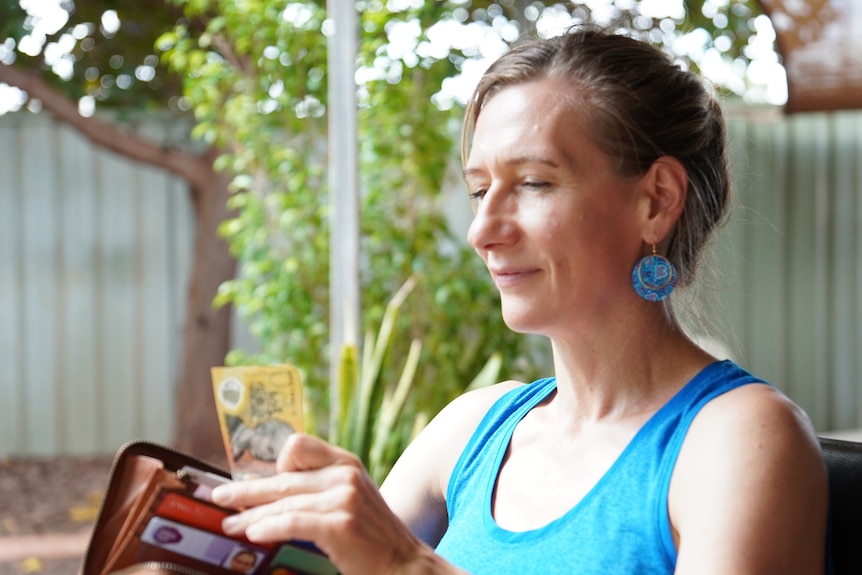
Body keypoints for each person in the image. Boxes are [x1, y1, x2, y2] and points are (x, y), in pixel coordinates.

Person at [211, 27, 830, 574]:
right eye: (480, 189)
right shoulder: (470, 431)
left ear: (657, 201)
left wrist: (408, 568)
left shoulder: (739, 439)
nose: (482, 230)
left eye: (534, 182)